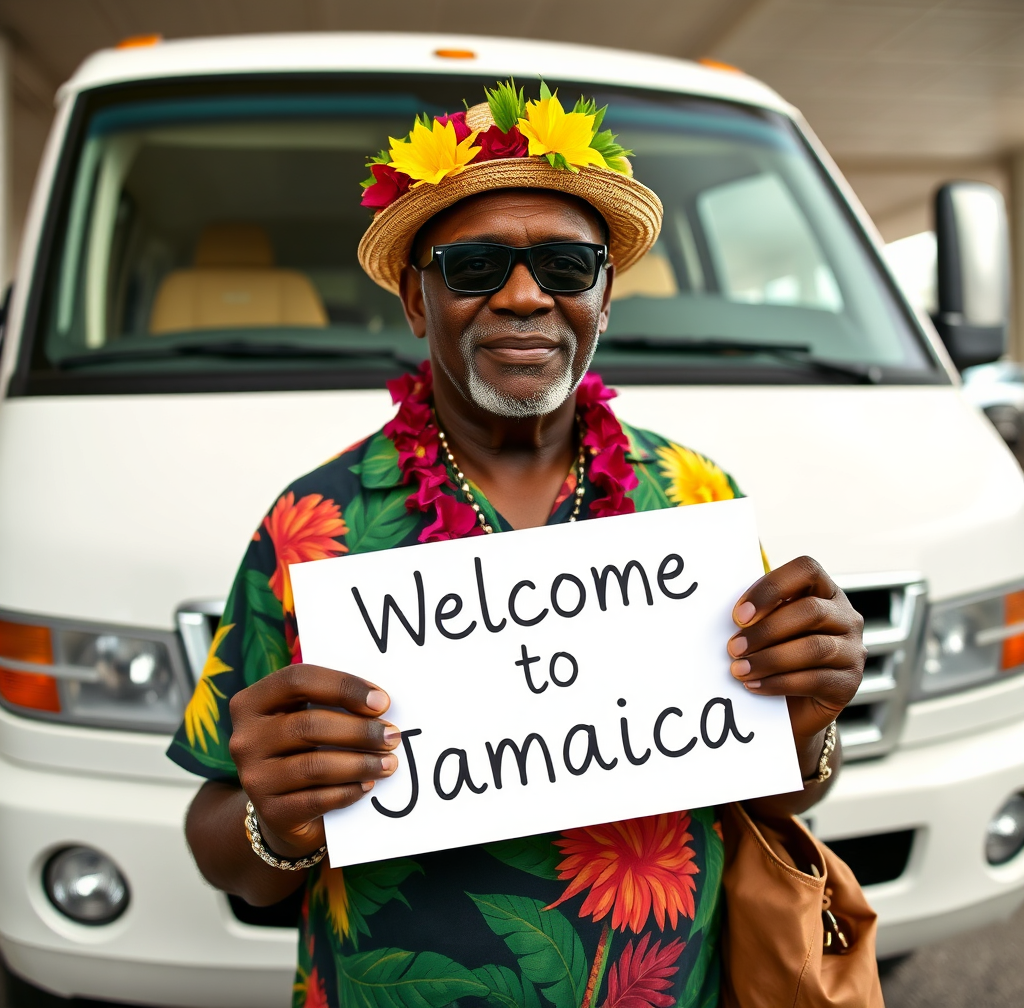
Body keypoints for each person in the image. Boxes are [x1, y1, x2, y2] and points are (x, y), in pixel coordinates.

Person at [168, 82, 866, 1008]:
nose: (526, 294)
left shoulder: (693, 497)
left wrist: (813, 720)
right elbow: (226, 852)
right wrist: (277, 818)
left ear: (604, 300)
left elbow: (776, 796)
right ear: (418, 303)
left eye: (567, 266)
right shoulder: (313, 525)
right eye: (474, 266)